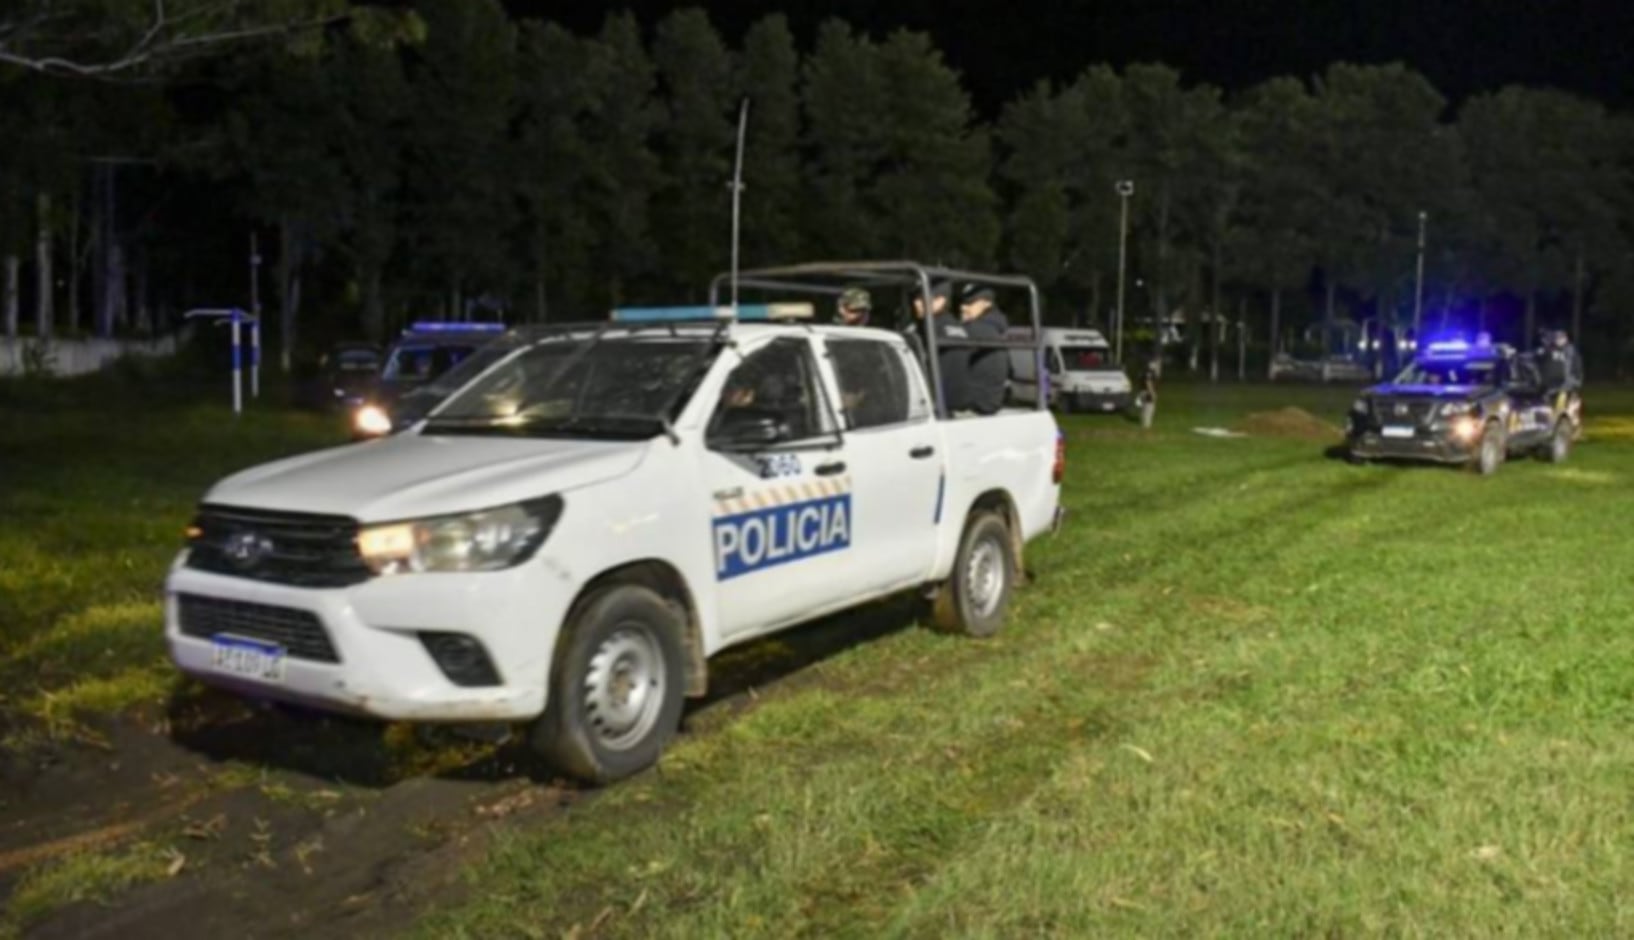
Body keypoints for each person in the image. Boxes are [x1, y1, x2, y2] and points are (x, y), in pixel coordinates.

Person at [910, 281, 971, 413]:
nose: (916, 303)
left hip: (935, 406)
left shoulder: (929, 329)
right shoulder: (957, 327)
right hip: (955, 404)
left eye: (922, 298)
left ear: (940, 301)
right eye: (916, 298)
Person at [956, 284, 1010, 415]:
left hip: (971, 407)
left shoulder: (976, 329)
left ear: (986, 303)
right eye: (963, 302)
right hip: (989, 405)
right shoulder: (996, 330)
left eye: (970, 303)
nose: (963, 307)